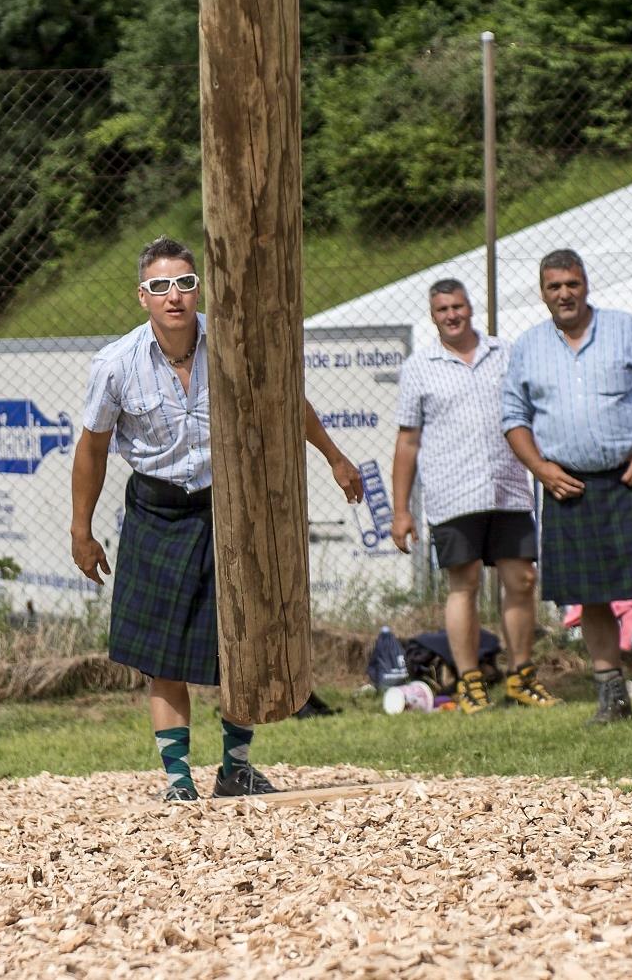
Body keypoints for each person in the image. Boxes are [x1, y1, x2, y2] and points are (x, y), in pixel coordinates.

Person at [69, 234, 364, 801]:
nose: (174, 296)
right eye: (160, 286)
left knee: (240, 640)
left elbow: (287, 400)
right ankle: (178, 782)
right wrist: (81, 531)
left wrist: (334, 456)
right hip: (156, 509)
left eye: (184, 282)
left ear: (198, 288)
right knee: (162, 654)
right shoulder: (115, 365)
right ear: (142, 297)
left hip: (226, 508)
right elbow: (92, 449)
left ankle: (235, 768)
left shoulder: (233, 343)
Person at [501, 249, 632, 725]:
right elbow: (513, 418)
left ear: (585, 285)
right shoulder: (527, 347)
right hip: (568, 485)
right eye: (554, 286)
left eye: (572, 283)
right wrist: (541, 468)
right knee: (591, 593)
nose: (564, 293)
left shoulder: (625, 328)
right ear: (542, 292)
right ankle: (611, 696)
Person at [391, 278, 557, 713]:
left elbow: (532, 413)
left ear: (470, 308)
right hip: (453, 492)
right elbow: (407, 441)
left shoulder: (505, 354)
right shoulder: (419, 366)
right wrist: (400, 509)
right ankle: (469, 682)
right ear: (433, 315)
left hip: (508, 488)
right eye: (443, 309)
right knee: (463, 585)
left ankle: (521, 675)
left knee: (521, 581)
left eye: (458, 307)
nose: (452, 315)